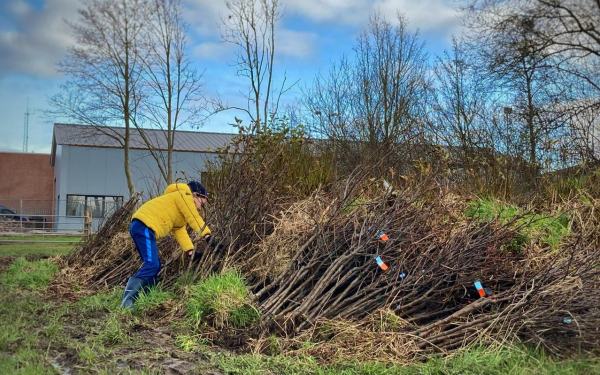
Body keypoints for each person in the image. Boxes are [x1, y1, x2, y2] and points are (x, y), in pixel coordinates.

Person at [120, 180, 215, 309]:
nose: (198, 208)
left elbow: (179, 231)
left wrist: (190, 252)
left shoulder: (178, 208)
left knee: (154, 265)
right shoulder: (184, 194)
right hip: (144, 226)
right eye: (200, 203)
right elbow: (194, 217)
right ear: (196, 195)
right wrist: (208, 236)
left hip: (142, 226)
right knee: (152, 265)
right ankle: (127, 303)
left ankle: (146, 296)